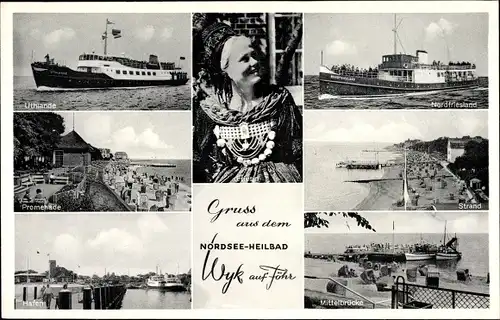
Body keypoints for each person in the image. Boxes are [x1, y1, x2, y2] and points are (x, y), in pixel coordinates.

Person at [193, 19, 302, 183]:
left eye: (254, 55)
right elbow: (197, 164)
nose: (255, 62)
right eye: (245, 59)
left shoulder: (279, 100)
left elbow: (299, 153)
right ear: (225, 69)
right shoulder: (211, 111)